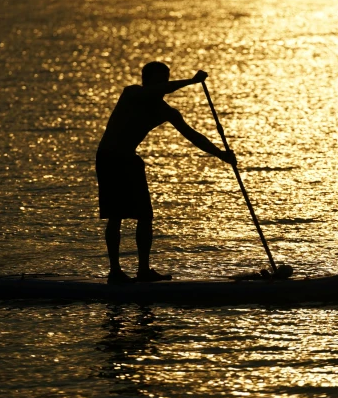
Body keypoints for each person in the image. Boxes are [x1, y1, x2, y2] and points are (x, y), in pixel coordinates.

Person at [96, 62, 236, 284]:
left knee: (145, 216)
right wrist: (191, 81)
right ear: (147, 82)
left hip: (130, 159)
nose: (162, 86)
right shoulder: (132, 93)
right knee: (116, 216)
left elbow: (193, 136)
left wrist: (221, 154)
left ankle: (143, 272)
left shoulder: (164, 111)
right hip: (110, 158)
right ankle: (115, 272)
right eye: (158, 81)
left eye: (165, 80)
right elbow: (158, 90)